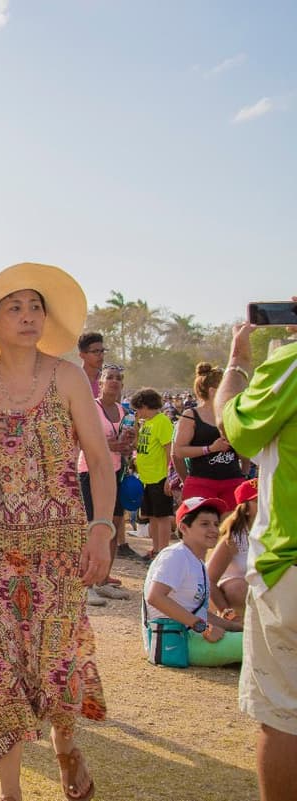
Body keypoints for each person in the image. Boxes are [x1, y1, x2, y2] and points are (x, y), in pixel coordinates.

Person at [0, 263, 113, 801]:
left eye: (35, 306)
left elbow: (99, 460)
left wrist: (102, 531)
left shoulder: (67, 376)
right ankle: (10, 791)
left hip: (61, 550)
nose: (27, 316)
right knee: (0, 667)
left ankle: (66, 749)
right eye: (14, 308)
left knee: (56, 661)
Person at [215, 317, 297, 801]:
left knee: (283, 714)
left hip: (289, 561)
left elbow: (235, 425)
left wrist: (238, 363)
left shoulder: (292, 362)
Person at [143, 496, 243, 666]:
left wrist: (235, 627)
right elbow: (155, 597)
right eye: (204, 524)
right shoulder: (176, 555)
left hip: (187, 635)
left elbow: (198, 611)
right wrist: (203, 627)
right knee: (258, 645)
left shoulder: (196, 561)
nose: (213, 529)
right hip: (174, 641)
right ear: (184, 527)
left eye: (216, 524)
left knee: (255, 638)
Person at [77, 364, 138, 606]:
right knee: (92, 527)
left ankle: (102, 580)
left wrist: (129, 444)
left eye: (118, 378)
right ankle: (85, 584)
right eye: (109, 377)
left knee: (113, 525)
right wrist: (108, 445)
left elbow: (131, 443)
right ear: (100, 383)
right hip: (90, 471)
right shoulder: (91, 407)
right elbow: (79, 439)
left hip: (116, 471)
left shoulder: (124, 412)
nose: (114, 381)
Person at [172, 363, 246, 507]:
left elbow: (245, 453)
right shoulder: (191, 415)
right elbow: (178, 451)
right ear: (213, 391)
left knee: (233, 522)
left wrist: (244, 473)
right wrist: (210, 448)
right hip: (201, 482)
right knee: (204, 521)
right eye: (227, 389)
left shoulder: (234, 414)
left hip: (233, 481)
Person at [131, 388, 175, 560]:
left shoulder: (162, 421)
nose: (137, 412)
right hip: (147, 478)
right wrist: (135, 426)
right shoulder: (147, 423)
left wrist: (169, 476)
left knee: (162, 517)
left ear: (144, 405)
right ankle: (156, 549)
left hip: (160, 476)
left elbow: (169, 449)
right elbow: (138, 446)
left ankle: (162, 552)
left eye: (138, 408)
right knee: (152, 516)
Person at [207, 479, 257, 621]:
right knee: (238, 587)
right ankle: (237, 622)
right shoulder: (234, 539)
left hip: (260, 593)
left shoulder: (275, 533)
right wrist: (227, 613)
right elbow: (208, 580)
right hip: (226, 598)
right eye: (258, 501)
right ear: (246, 509)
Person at [76, 332, 106, 398]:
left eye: (102, 351)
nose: (101, 355)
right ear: (82, 355)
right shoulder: (74, 379)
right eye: (95, 351)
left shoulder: (107, 381)